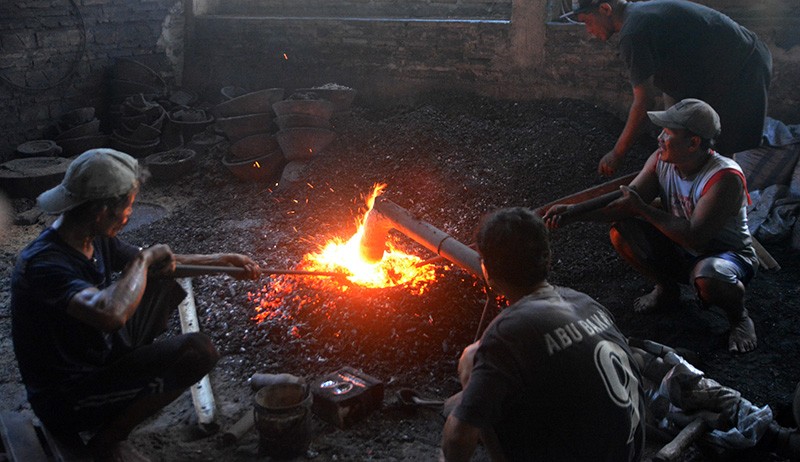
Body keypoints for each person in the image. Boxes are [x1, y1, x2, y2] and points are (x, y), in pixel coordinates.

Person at [10, 149, 261, 461]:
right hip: (68, 396)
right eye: (128, 206)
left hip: (95, 353)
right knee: (198, 352)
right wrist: (144, 260)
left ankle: (119, 398)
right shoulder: (44, 264)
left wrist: (222, 262)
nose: (129, 215)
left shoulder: (91, 235)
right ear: (101, 211)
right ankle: (108, 441)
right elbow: (110, 314)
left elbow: (161, 263)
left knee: (156, 279)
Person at [544, 99, 759, 353]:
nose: (660, 138)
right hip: (681, 246)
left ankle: (739, 318)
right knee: (622, 231)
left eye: (668, 133)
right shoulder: (661, 160)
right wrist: (574, 213)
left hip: (725, 256)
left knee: (709, 276)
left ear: (693, 143)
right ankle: (667, 289)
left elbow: (695, 238)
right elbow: (626, 203)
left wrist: (643, 209)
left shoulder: (724, 177)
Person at [441, 207, 645, 461]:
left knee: (471, 360)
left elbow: (457, 438)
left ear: (487, 271)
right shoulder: (585, 302)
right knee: (460, 402)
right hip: (628, 453)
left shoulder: (507, 333)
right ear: (547, 258)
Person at [565, 0, 772, 176]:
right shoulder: (640, 17)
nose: (588, 31)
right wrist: (672, 126)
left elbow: (644, 102)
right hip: (717, 70)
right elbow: (669, 83)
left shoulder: (633, 32)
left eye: (587, 22)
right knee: (690, 142)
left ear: (605, 9)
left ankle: (723, 201)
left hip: (742, 67)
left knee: (719, 147)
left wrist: (617, 153)